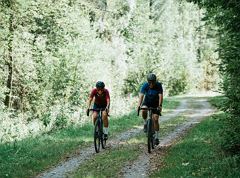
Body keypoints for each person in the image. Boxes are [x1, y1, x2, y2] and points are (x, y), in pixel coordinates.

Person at [137, 73, 163, 145]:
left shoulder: (158, 85)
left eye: (153, 82)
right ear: (147, 81)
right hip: (147, 102)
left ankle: (157, 137)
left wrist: (160, 105)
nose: (151, 83)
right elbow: (141, 95)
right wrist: (139, 105)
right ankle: (145, 123)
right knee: (144, 109)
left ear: (155, 81)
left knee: (155, 119)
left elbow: (160, 96)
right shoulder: (145, 85)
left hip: (156, 104)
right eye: (149, 82)